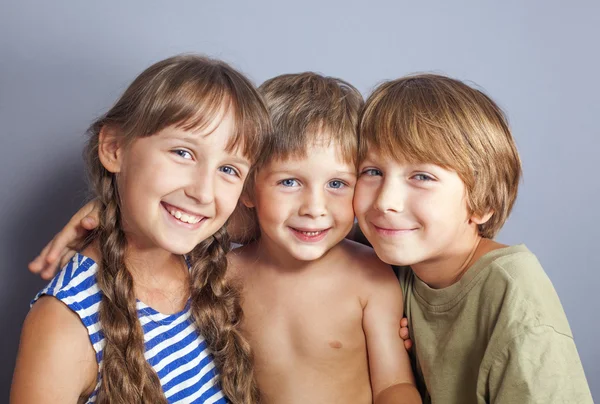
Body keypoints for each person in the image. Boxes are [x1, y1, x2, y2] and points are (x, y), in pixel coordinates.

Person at [26, 72, 421, 404]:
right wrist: (109, 206)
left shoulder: (368, 273)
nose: (314, 207)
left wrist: (107, 207)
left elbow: (395, 385)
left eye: (337, 183)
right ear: (251, 190)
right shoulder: (220, 270)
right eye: (288, 181)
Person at [12, 54, 272, 404]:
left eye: (229, 170)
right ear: (114, 148)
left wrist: (114, 206)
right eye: (183, 152)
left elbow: (302, 220)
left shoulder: (207, 260)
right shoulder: (64, 325)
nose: (203, 191)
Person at [353, 73, 594, 403]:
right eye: (372, 172)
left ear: (483, 203)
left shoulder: (514, 290)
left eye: (421, 176)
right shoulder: (377, 257)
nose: (385, 201)